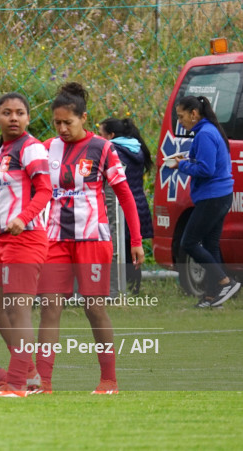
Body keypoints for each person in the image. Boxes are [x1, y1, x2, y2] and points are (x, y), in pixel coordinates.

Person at [35, 82, 144, 395]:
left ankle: (109, 380)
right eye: (56, 123)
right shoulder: (45, 148)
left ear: (84, 118)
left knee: (93, 308)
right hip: (55, 241)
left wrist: (135, 240)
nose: (62, 128)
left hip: (92, 239)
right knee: (49, 308)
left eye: (68, 122)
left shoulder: (103, 149)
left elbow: (125, 195)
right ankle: (43, 382)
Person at [0, 93, 52, 398]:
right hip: (8, 241)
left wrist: (23, 219)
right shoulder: (2, 152)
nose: (13, 118)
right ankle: (31, 375)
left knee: (18, 311)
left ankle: (18, 384)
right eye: (6, 113)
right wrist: (1, 240)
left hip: (28, 238)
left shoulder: (31, 147)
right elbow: (5, 201)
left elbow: (45, 189)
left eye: (19, 113)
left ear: (28, 118)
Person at [170, 96, 240, 308]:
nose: (180, 122)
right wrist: (187, 160)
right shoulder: (209, 131)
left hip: (213, 197)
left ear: (194, 113)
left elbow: (206, 170)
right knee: (210, 244)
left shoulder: (205, 134)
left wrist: (181, 166)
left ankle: (225, 282)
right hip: (220, 195)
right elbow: (205, 163)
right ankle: (213, 296)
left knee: (189, 242)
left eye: (181, 117)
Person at [99, 117, 154, 294]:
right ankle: (134, 285)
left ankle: (122, 285)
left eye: (102, 135)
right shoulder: (136, 148)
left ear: (111, 135)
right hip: (139, 203)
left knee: (121, 247)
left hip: (121, 205)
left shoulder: (115, 151)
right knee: (132, 247)